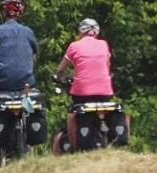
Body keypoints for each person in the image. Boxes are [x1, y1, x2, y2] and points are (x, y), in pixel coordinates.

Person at [53, 18, 126, 152]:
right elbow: (107, 67)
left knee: (74, 115)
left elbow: (61, 69)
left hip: (82, 92)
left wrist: (58, 77)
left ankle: (75, 147)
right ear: (96, 32)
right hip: (105, 91)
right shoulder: (104, 44)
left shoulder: (74, 46)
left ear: (81, 31)